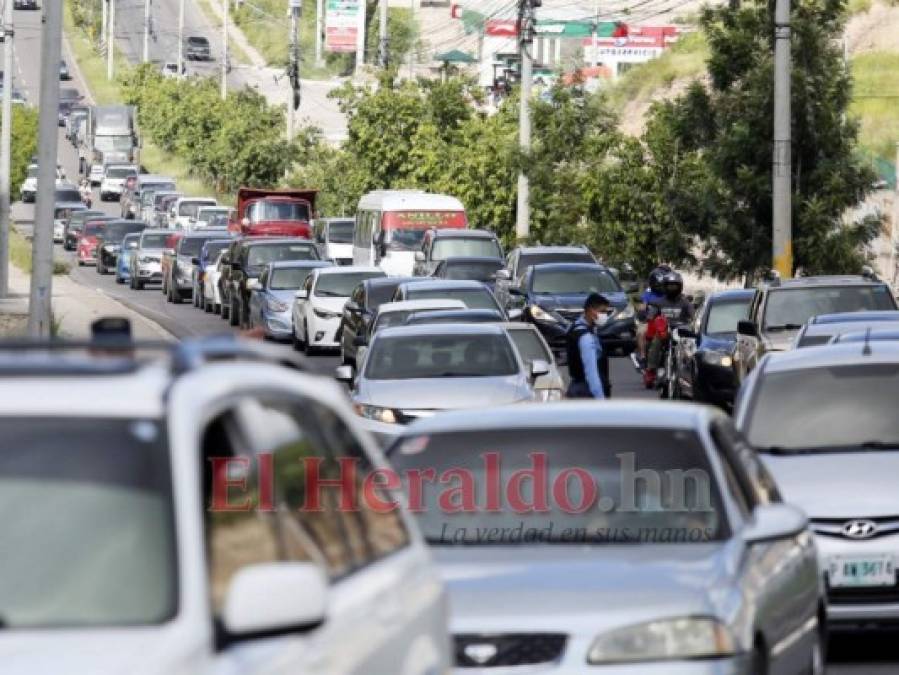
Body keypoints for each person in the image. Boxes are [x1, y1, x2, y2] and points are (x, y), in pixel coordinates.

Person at [645, 270, 695, 380]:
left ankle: (691, 369)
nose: (672, 288)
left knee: (691, 347)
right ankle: (651, 369)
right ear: (664, 286)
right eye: (669, 286)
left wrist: (693, 321)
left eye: (674, 286)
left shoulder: (685, 302)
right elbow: (651, 315)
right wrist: (651, 316)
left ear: (680, 287)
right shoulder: (658, 302)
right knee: (655, 341)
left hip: (681, 333)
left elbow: (693, 316)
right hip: (664, 332)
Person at [566, 293, 610, 399]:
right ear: (591, 311)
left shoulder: (574, 327)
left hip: (576, 389)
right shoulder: (586, 337)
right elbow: (591, 373)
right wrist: (601, 400)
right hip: (586, 392)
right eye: (602, 311)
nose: (605, 315)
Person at [632, 265, 671, 369]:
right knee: (641, 332)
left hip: (669, 321)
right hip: (651, 320)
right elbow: (643, 305)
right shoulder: (649, 293)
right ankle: (643, 357)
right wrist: (642, 311)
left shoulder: (671, 292)